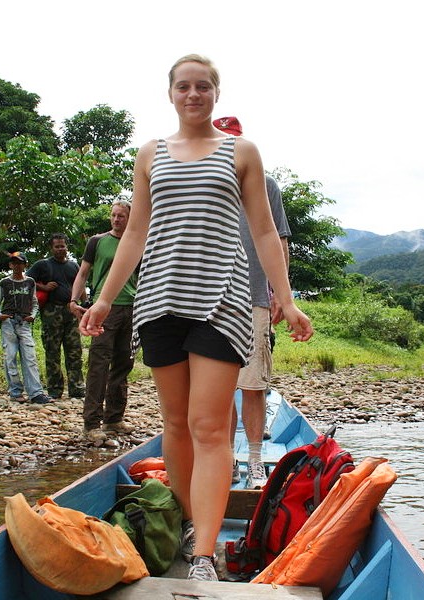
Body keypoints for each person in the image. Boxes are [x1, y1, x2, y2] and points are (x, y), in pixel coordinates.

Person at [79, 54, 313, 582]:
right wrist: (102, 298)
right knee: (176, 426)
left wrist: (287, 299)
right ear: (171, 94)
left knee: (209, 426)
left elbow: (264, 233)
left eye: (202, 86)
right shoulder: (151, 154)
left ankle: (204, 555)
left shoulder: (241, 152)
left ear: (215, 94)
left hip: (221, 301)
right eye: (183, 87)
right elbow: (135, 234)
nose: (193, 94)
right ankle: (186, 525)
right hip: (159, 299)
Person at [213, 116, 290, 490]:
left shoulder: (266, 185)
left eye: (233, 142)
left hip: (255, 295)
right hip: (210, 301)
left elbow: (279, 241)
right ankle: (226, 460)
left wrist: (281, 292)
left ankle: (256, 460)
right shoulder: (206, 183)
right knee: (220, 386)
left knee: (254, 384)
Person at [70, 199, 139, 442]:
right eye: (114, 215)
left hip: (131, 308)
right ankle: (91, 423)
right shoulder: (97, 242)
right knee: (99, 365)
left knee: (123, 363)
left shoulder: (139, 243)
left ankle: (114, 419)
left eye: (121, 216)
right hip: (104, 308)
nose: (117, 219)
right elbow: (83, 273)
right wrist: (73, 300)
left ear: (130, 218)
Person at [27, 233, 85, 400]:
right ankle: (54, 389)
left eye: (63, 246)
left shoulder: (74, 266)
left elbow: (80, 287)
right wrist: (43, 287)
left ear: (67, 247)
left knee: (74, 350)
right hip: (52, 312)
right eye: (57, 246)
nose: (60, 249)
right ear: (51, 248)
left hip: (71, 311)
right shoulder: (43, 265)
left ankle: (77, 388)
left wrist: (85, 306)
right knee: (52, 351)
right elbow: (26, 280)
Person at [0, 251, 52, 405]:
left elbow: (34, 302)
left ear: (25, 265)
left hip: (24, 323)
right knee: (10, 357)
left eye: (20, 263)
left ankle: (36, 393)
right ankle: (15, 391)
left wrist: (32, 315)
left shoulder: (30, 282)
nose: (17, 266)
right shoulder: (4, 283)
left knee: (29, 357)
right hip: (8, 323)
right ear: (10, 265)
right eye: (14, 263)